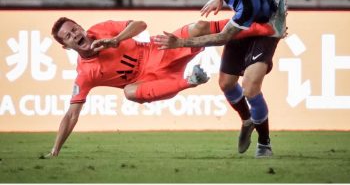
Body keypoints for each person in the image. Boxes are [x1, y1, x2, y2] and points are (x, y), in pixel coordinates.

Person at [46, 14, 284, 157]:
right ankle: (190, 81)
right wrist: (55, 150)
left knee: (199, 26)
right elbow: (71, 114)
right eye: (68, 36)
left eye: (75, 28)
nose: (75, 34)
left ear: (81, 27)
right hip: (152, 82)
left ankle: (265, 27)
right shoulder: (85, 74)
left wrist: (116, 40)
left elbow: (140, 24)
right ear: (66, 47)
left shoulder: (101, 30)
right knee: (129, 93)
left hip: (160, 50)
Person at [155, 0, 287, 158]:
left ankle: (264, 143)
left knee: (251, 88)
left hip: (266, 29)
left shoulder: (248, 4)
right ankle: (247, 120)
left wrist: (180, 43)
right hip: (242, 24)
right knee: (226, 84)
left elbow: (222, 38)